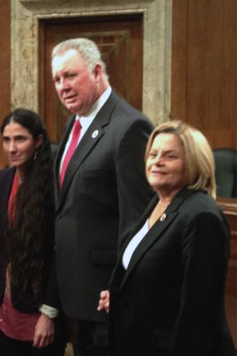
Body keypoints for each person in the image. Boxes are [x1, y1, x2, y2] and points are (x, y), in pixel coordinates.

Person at [51, 38, 154, 355]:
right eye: (57, 79)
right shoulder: (74, 122)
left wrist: (121, 283)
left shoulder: (129, 127)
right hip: (78, 293)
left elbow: (137, 219)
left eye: (70, 76)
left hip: (107, 296)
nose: (63, 86)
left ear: (97, 71)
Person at [97, 121, 236, 356]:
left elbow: (198, 315)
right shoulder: (160, 202)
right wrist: (123, 295)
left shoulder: (201, 216)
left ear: (194, 162)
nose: (157, 161)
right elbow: (155, 270)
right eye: (153, 154)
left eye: (169, 156)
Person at [0, 108, 67, 356]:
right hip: (5, 301)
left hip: (41, 305)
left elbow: (60, 251)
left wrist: (49, 312)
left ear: (38, 141)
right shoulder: (2, 179)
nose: (12, 147)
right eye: (6, 139)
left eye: (20, 139)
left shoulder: (54, 185)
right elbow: (1, 240)